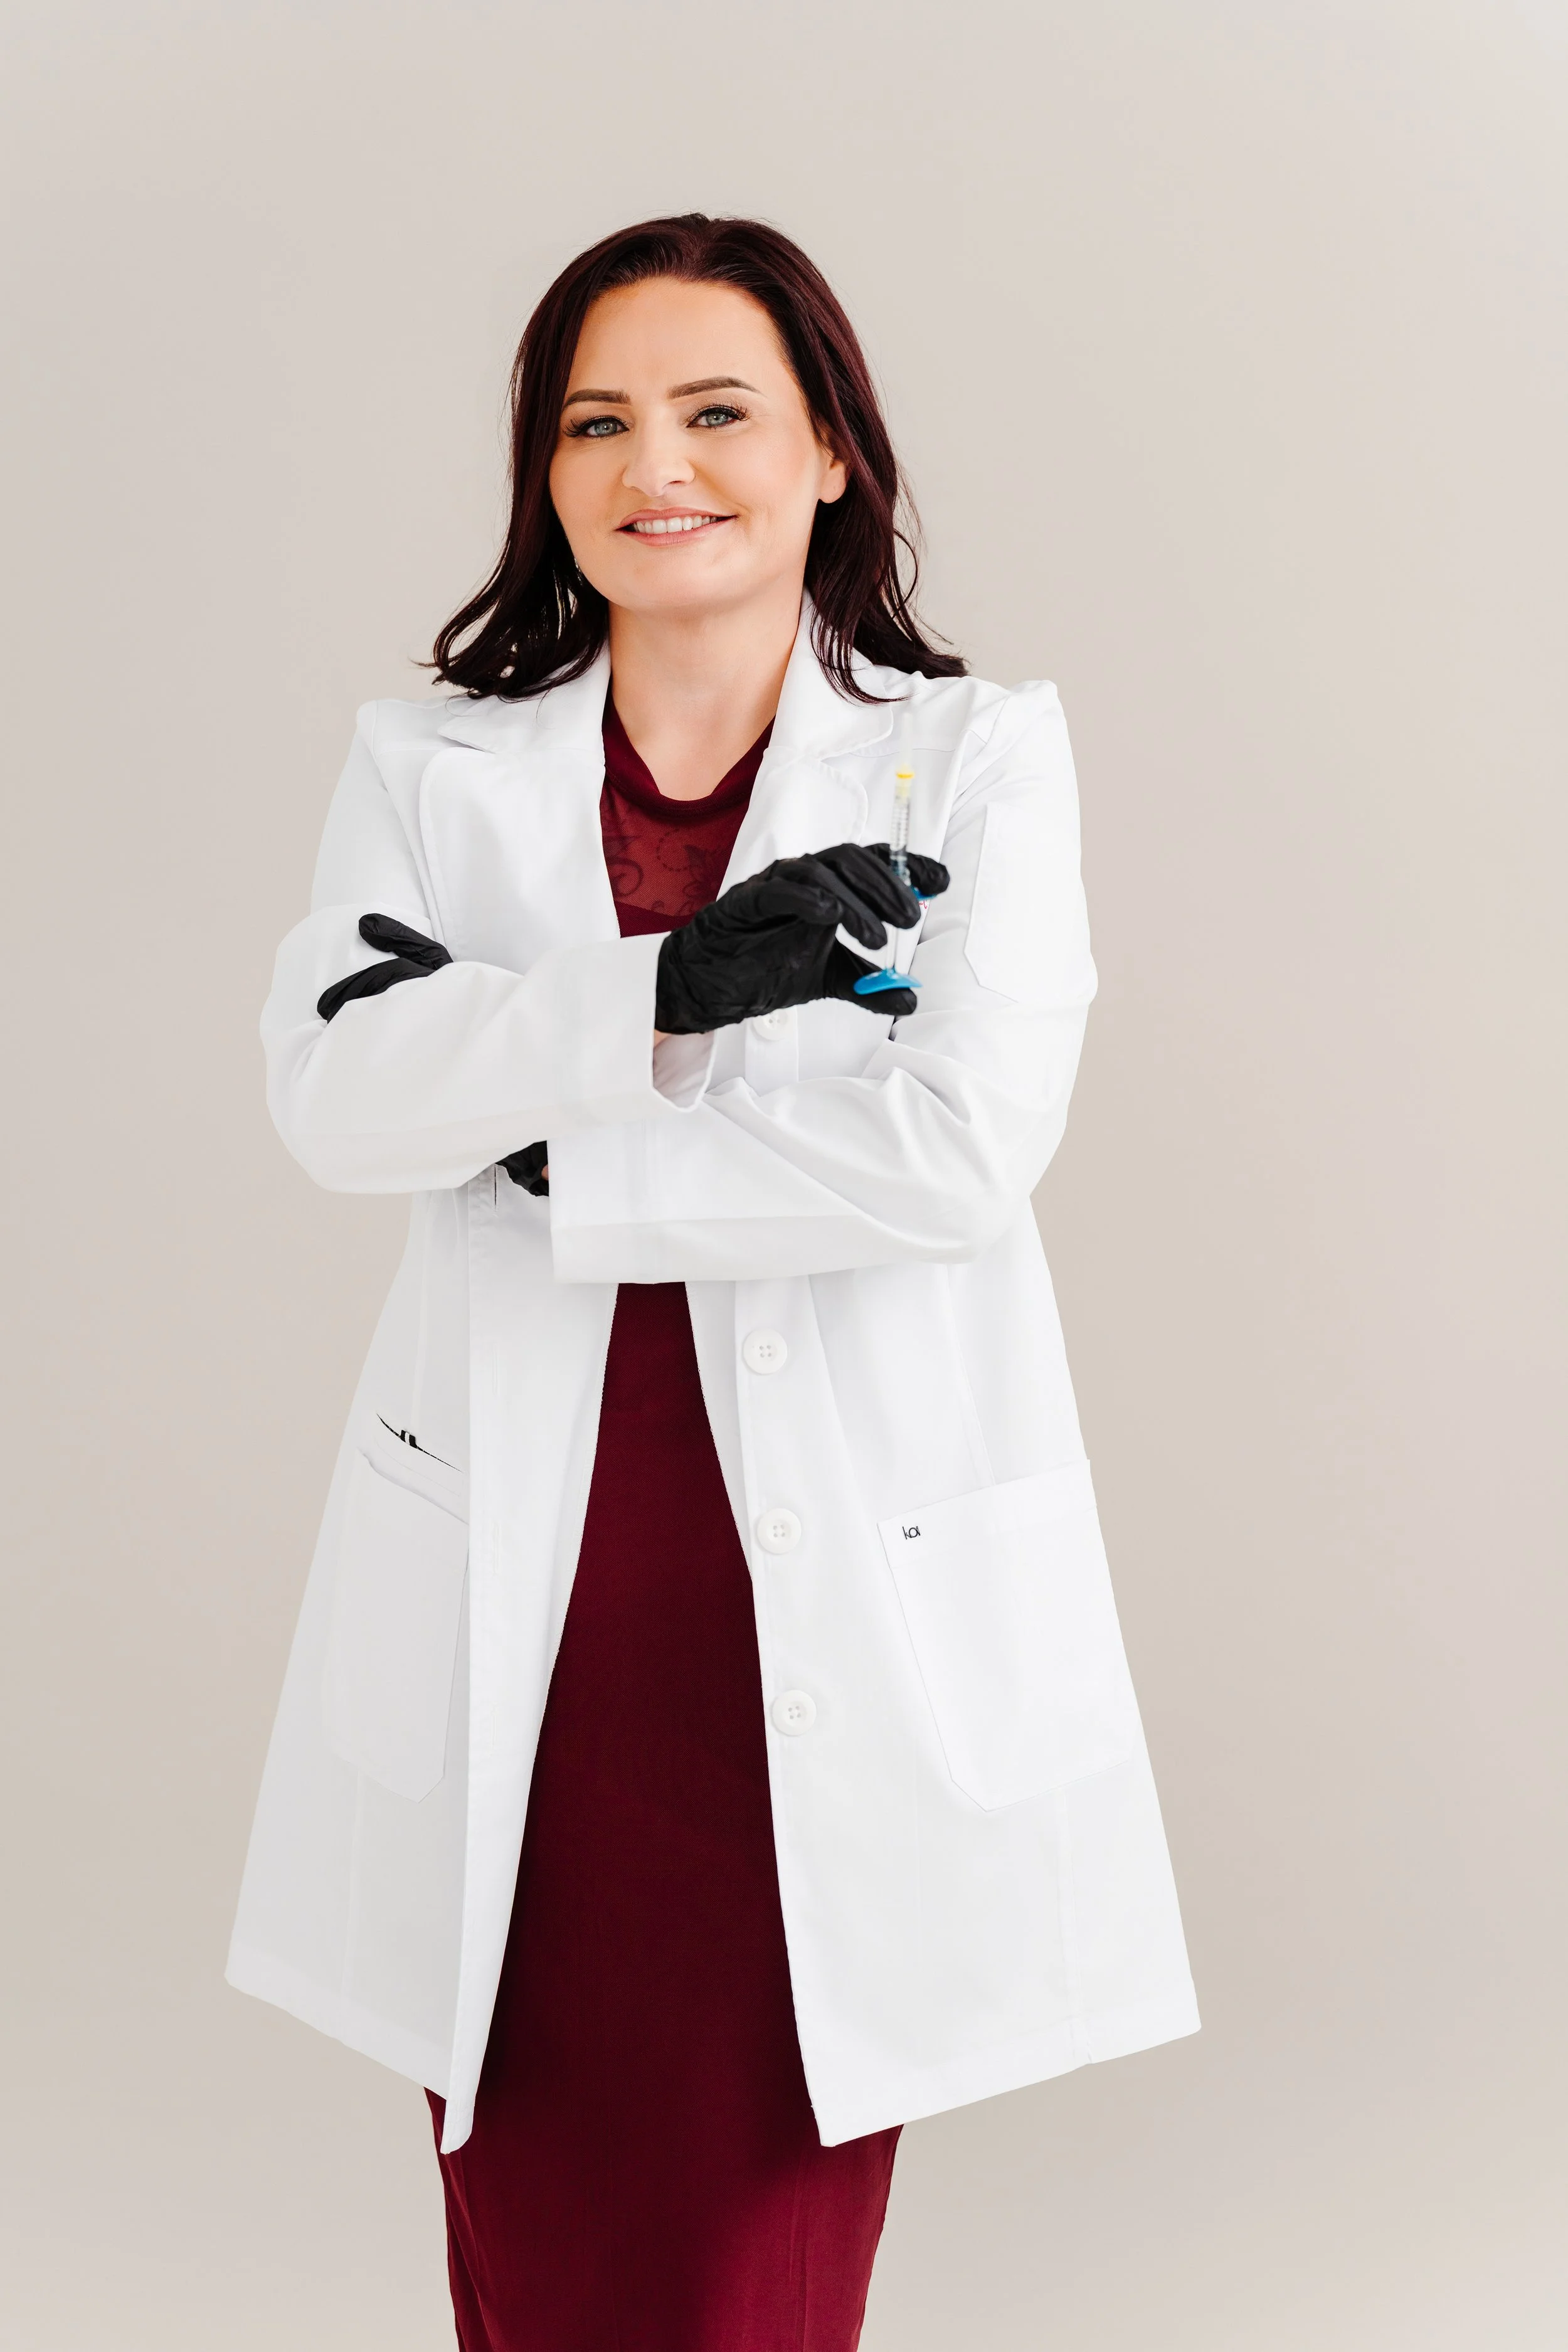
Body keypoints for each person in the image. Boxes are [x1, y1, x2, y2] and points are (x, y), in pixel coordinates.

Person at [230, 213, 1199, 2352]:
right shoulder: (433, 768)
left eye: (715, 408)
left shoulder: (977, 756)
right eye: (595, 420)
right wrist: (670, 986)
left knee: (739, 2289)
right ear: (544, 471)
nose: (653, 461)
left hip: (820, 1629)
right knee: (534, 2270)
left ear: (833, 451)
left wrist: (542, 1115)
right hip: (527, 1625)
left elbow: (953, 1151)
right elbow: (335, 1092)